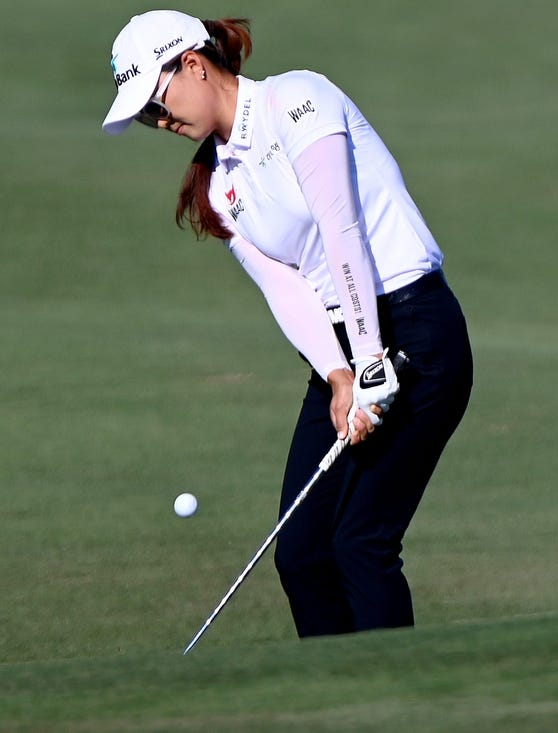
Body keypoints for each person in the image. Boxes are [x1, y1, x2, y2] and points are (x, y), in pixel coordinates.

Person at [102, 10, 473, 637]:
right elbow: (287, 287)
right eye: (145, 117)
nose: (159, 122)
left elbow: (342, 229)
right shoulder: (217, 186)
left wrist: (371, 358)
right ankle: (330, 703)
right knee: (301, 553)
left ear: (193, 64)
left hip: (416, 332)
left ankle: (398, 701)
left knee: (360, 543)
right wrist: (337, 374)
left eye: (156, 103)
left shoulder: (299, 99)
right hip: (344, 348)